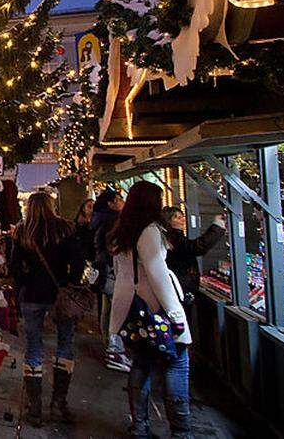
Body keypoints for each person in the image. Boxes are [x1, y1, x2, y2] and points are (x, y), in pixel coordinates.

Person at [107, 181, 193, 439]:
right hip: (156, 310)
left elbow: (123, 275)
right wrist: (176, 315)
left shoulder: (122, 232)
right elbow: (158, 276)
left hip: (134, 311)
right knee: (177, 364)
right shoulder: (150, 232)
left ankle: (140, 425)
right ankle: (180, 430)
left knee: (141, 364)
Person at [9, 193, 85, 427]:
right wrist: (69, 283)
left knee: (33, 346)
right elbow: (79, 261)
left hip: (32, 295)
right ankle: (59, 402)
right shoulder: (65, 229)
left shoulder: (23, 232)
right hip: (60, 295)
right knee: (65, 344)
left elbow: (14, 266)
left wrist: (24, 282)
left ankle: (35, 408)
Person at [90, 188, 130, 372]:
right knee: (118, 310)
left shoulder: (99, 219)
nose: (122, 203)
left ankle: (109, 344)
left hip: (104, 269)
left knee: (108, 309)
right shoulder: (113, 221)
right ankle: (115, 350)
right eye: (119, 199)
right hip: (112, 269)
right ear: (111, 203)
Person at [161, 205, 225, 299]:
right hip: (182, 288)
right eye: (177, 217)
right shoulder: (174, 238)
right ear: (168, 221)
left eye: (182, 217)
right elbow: (197, 247)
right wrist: (217, 226)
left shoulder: (171, 237)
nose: (182, 220)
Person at [73, 198, 95, 270]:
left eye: (94, 207)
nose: (92, 209)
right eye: (89, 207)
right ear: (83, 209)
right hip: (84, 259)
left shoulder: (97, 223)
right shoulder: (78, 225)